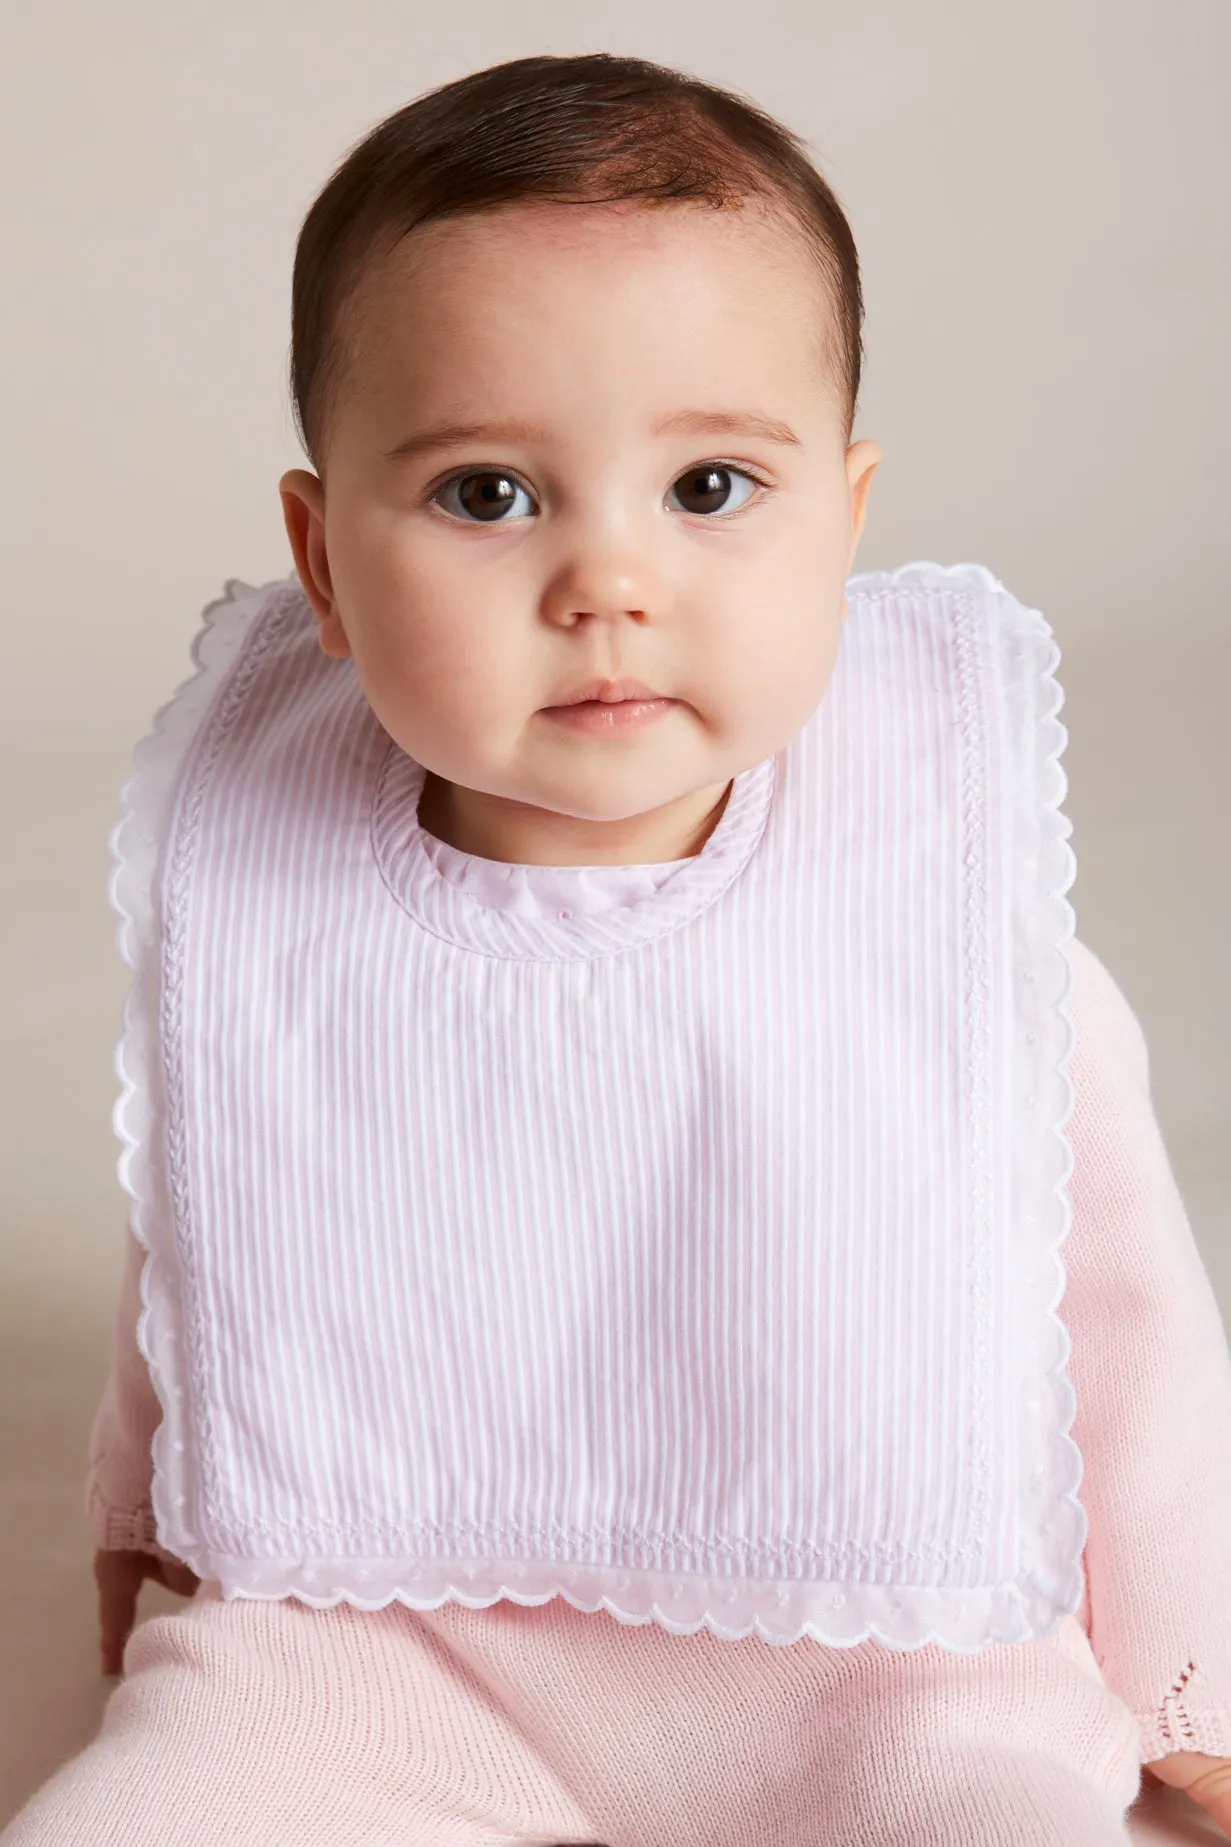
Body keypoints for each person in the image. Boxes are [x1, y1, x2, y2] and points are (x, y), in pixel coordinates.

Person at [5, 49, 1231, 1847]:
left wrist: (1190, 1681)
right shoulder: (267, 896)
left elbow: (1124, 1328)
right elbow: (215, 1227)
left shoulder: (942, 916)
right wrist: (145, 1516)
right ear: (322, 561)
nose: (607, 583)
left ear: (845, 517)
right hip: (382, 1640)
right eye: (489, 494)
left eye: (712, 488)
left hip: (883, 1655)